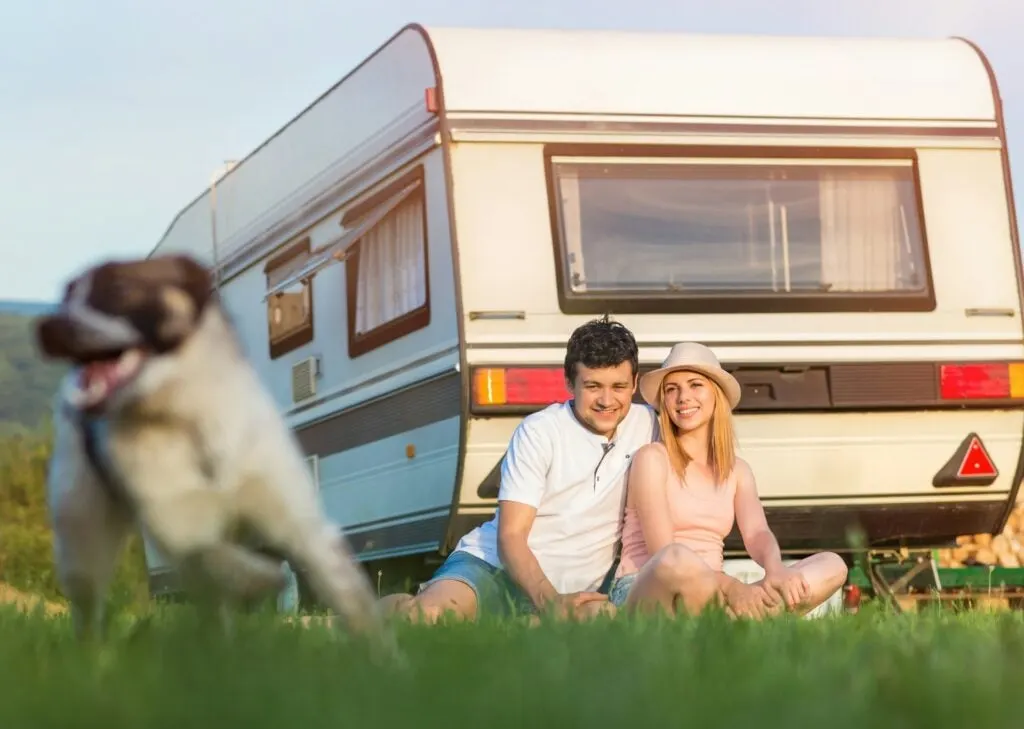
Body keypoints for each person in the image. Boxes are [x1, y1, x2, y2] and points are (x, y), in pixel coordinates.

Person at [381, 316, 658, 623]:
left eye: (619, 386)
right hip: (494, 568)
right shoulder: (540, 431)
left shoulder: (649, 424)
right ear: (569, 383)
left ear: (634, 384)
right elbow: (510, 535)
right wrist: (550, 603)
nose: (607, 400)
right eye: (592, 386)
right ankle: (384, 609)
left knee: (602, 625)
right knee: (431, 617)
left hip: (576, 588)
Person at [607, 341, 848, 620]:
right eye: (672, 390)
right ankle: (744, 621)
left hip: (714, 592)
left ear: (716, 395)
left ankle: (734, 620)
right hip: (646, 588)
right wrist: (733, 588)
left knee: (832, 565)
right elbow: (663, 552)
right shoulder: (651, 458)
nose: (683, 397)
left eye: (695, 385)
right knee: (677, 559)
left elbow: (757, 533)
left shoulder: (737, 470)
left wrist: (776, 571)